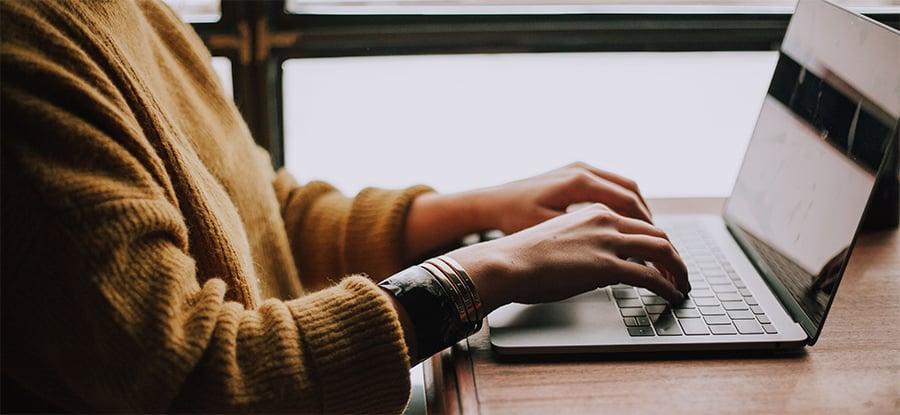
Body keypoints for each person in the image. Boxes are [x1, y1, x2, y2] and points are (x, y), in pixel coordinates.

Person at [0, 1, 689, 413]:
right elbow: (203, 383)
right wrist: (487, 268)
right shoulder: (23, 59)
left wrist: (478, 210)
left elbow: (262, 215)